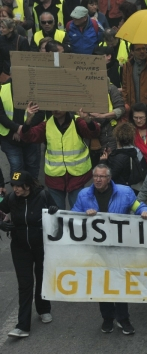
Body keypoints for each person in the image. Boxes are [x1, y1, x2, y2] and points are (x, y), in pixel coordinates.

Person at [72, 164, 147, 335]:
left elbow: (139, 206)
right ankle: (107, 318)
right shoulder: (84, 195)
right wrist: (84, 215)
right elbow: (72, 217)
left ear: (109, 179)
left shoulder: (125, 192)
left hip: (119, 248)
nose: (98, 180)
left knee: (120, 283)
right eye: (95, 176)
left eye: (102, 177)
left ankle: (123, 319)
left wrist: (144, 212)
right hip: (97, 250)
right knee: (102, 284)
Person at [0, 171, 57, 338]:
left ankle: (44, 309)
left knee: (41, 278)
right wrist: (1, 224)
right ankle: (22, 326)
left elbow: (58, 216)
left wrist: (54, 211)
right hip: (20, 248)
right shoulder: (10, 199)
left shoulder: (43, 196)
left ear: (28, 186)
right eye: (14, 186)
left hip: (41, 246)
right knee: (25, 285)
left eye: (19, 186)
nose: (16, 189)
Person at [20, 105, 100, 209]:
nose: (56, 109)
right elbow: (27, 136)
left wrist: (88, 120)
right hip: (55, 176)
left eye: (59, 105)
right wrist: (28, 121)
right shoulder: (46, 125)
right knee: (56, 213)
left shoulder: (77, 121)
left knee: (78, 211)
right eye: (53, 106)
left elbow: (93, 132)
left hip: (77, 175)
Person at [0, 82, 45, 178]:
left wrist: (23, 129)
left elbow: (40, 114)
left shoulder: (36, 88)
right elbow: (1, 115)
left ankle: (33, 190)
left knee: (32, 167)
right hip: (10, 138)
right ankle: (17, 189)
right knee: (16, 168)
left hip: (31, 136)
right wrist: (16, 129)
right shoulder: (2, 89)